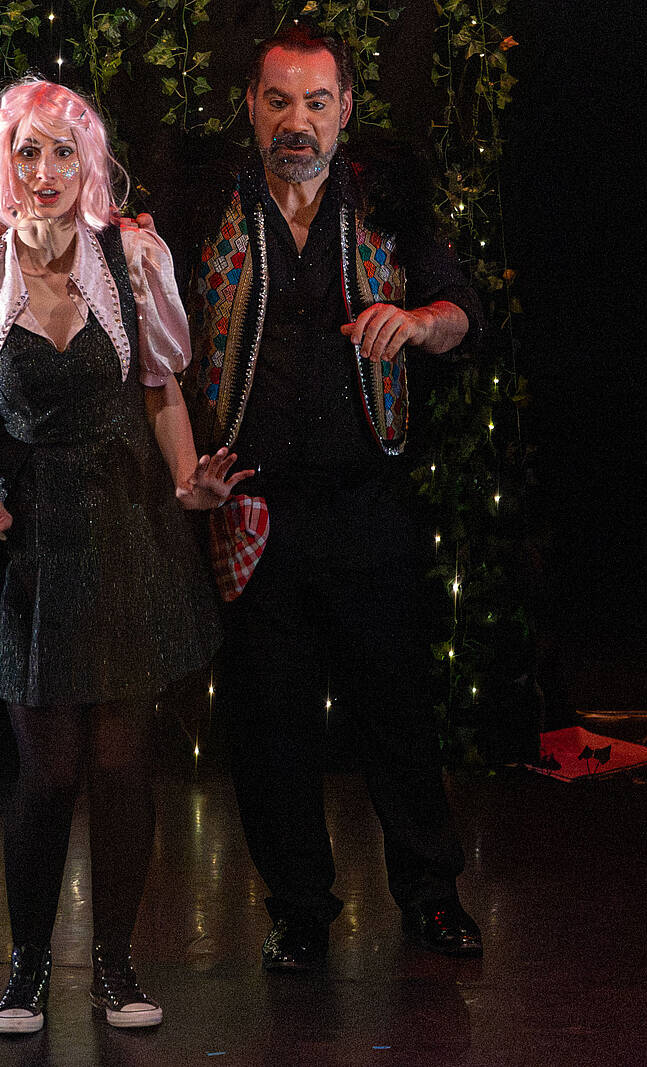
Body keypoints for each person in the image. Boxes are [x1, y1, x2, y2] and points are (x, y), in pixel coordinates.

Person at [0, 78, 244, 1035]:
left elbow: (163, 389)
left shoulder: (132, 260)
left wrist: (188, 481)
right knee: (49, 771)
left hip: (127, 532)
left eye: (65, 151)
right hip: (27, 543)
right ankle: (27, 969)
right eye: (28, 151)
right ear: (2, 164)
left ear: (89, 164)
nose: (47, 169)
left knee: (123, 765)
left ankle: (114, 966)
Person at [181, 24, 488, 972]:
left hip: (366, 505)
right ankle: (299, 909)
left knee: (395, 709)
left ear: (346, 108)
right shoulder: (208, 207)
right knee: (270, 725)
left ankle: (431, 894)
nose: (297, 121)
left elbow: (462, 310)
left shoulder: (386, 204)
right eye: (279, 101)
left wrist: (419, 321)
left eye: (316, 102)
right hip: (254, 510)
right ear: (251, 106)